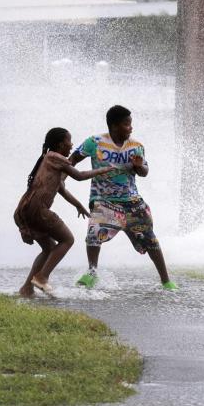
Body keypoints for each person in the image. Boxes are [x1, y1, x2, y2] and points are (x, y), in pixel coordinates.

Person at [71, 105, 177, 290]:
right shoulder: (94, 142)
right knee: (94, 234)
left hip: (132, 202)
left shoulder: (136, 146)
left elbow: (144, 172)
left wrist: (138, 166)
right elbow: (71, 161)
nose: (131, 127)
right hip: (104, 200)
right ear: (114, 126)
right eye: (127, 124)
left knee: (150, 240)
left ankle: (166, 281)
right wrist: (60, 177)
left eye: (131, 124)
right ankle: (92, 273)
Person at [15, 127, 117, 296]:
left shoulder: (48, 160)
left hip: (25, 209)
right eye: (69, 141)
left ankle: (27, 288)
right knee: (67, 239)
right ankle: (42, 277)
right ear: (60, 144)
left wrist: (78, 205)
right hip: (38, 209)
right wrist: (103, 170)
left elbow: (61, 189)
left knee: (48, 248)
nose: (71, 145)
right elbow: (79, 175)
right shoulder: (56, 157)